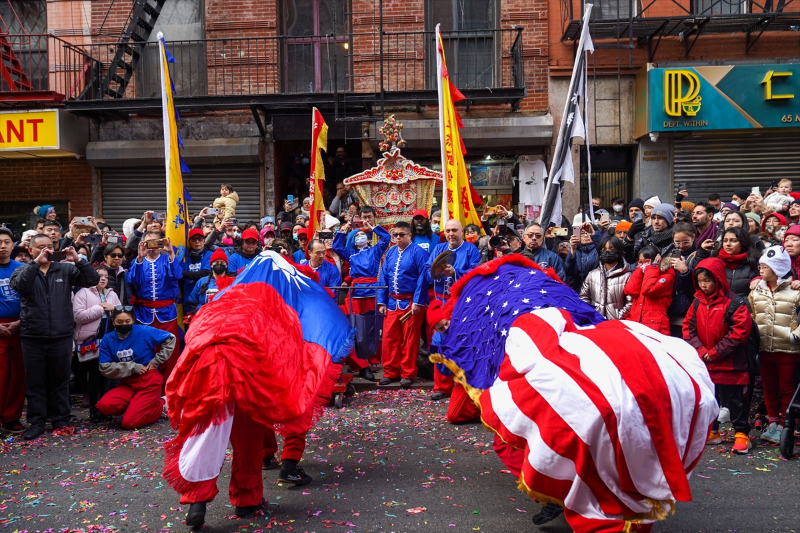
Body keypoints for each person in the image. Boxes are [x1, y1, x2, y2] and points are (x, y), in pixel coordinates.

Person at [10, 235, 100, 440]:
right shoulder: (22, 270)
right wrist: (35, 264)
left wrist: (78, 259)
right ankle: (37, 421)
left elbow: (92, 280)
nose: (47, 251)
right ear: (31, 250)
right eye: (41, 248)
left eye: (50, 247)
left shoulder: (65, 269)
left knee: (61, 379)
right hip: (32, 335)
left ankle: (61, 419)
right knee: (35, 381)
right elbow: (20, 286)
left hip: (61, 334)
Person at [683, 258, 753, 454]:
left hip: (731, 363)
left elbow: (739, 333)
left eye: (708, 280)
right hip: (706, 362)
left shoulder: (735, 302)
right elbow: (688, 328)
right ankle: (713, 431)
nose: (704, 285)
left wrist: (715, 352)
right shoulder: (697, 302)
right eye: (700, 281)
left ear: (719, 279)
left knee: (735, 401)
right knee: (710, 399)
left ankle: (741, 434)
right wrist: (702, 351)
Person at [749, 245, 800, 445]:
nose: (760, 270)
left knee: (787, 387)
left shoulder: (795, 291)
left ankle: (785, 424)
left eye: (765, 266)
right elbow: (751, 315)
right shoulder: (757, 290)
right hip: (764, 347)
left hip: (787, 349)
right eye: (760, 266)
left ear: (777, 269)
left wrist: (794, 336)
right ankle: (772, 421)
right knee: (769, 387)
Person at [425, 219, 480, 401]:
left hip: (461, 302)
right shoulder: (439, 249)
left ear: (462, 231)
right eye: (448, 230)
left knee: (462, 341)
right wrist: (438, 271)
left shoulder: (471, 249)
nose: (450, 234)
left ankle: (462, 383)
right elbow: (426, 271)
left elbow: (475, 273)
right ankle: (441, 386)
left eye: (454, 230)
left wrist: (455, 272)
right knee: (439, 340)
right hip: (441, 301)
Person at [96, 306, 175, 429]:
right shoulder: (108, 339)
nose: (124, 324)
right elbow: (104, 367)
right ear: (113, 322)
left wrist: (156, 361)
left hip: (149, 380)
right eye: (119, 322)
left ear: (133, 320)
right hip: (127, 382)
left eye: (127, 321)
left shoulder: (143, 331)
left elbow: (170, 338)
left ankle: (162, 403)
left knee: (129, 423)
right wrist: (132, 367)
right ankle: (139, 406)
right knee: (104, 406)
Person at [333, 218, 391, 380]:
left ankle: (374, 360)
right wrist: (343, 230)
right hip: (357, 292)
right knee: (357, 326)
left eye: (362, 234)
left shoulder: (375, 250)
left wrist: (372, 228)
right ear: (353, 240)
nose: (360, 236)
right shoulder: (351, 254)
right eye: (357, 235)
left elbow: (386, 238)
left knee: (374, 325)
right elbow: (337, 246)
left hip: (373, 290)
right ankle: (361, 361)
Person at [377, 222, 430, 388]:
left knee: (410, 340)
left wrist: (418, 301)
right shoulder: (391, 252)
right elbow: (383, 278)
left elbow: (423, 278)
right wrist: (381, 301)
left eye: (401, 235)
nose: (398, 238)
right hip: (392, 302)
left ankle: (407, 373)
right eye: (395, 235)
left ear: (409, 236)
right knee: (389, 338)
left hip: (411, 303)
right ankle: (390, 371)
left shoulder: (419, 252)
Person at [127, 232, 182, 389]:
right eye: (148, 243)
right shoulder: (138, 261)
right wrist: (139, 257)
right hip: (144, 314)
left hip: (167, 313)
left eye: (155, 242)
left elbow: (178, 274)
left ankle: (169, 388)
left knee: (169, 351)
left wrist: (171, 252)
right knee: (146, 350)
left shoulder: (167, 258)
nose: (152, 247)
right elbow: (134, 281)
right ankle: (148, 386)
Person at [72, 265, 121, 422]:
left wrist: (113, 308)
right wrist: (100, 309)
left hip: (109, 341)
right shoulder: (83, 293)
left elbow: (122, 314)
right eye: (99, 275)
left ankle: (105, 409)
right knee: (94, 375)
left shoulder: (112, 294)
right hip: (91, 341)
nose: (103, 278)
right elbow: (78, 316)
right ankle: (94, 409)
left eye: (106, 276)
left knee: (107, 375)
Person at [0, 228, 24, 434]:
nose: (2, 246)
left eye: (6, 242)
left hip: (19, 327)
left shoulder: (22, 268)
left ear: (12, 245)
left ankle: (11, 418)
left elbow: (33, 299)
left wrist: (20, 321)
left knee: (18, 375)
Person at [623, 244, 674, 335]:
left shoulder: (667, 275)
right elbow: (630, 290)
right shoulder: (642, 272)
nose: (643, 264)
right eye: (640, 262)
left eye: (646, 261)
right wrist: (638, 270)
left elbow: (648, 290)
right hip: (636, 321)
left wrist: (653, 267)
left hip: (655, 325)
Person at [580, 235, 632, 320]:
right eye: (604, 250)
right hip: (595, 321)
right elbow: (584, 297)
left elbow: (631, 302)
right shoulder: (592, 274)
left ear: (619, 251)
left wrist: (619, 316)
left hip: (617, 324)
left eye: (611, 249)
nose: (607, 252)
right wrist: (591, 313)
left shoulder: (627, 276)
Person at [707, 227, 760, 298]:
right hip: (720, 306)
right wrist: (702, 253)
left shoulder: (755, 261)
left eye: (733, 241)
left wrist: (759, 279)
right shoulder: (714, 261)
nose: (728, 244)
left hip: (745, 306)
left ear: (743, 242)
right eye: (725, 241)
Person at [668, 222, 701, 337]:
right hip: (669, 309)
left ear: (693, 237)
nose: (681, 246)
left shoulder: (697, 256)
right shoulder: (667, 255)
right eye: (677, 242)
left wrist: (685, 272)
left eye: (685, 242)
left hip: (688, 310)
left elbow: (694, 290)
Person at [186, 248, 234, 316]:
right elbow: (192, 302)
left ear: (226, 265)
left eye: (222, 262)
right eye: (216, 262)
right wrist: (201, 311)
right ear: (211, 265)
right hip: (204, 320)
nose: (219, 264)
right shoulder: (201, 282)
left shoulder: (232, 283)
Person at [564, 223, 599, 292]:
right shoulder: (575, 251)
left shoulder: (598, 249)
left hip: (596, 289)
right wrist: (573, 249)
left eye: (588, 233)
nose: (586, 235)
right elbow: (569, 271)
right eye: (582, 233)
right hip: (577, 290)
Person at [181, 228, 214, 299]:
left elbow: (205, 273)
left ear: (204, 240)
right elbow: (179, 275)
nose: (197, 241)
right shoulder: (185, 257)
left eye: (200, 239)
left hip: (203, 297)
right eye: (193, 239)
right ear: (189, 242)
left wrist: (184, 273)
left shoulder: (210, 255)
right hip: (187, 296)